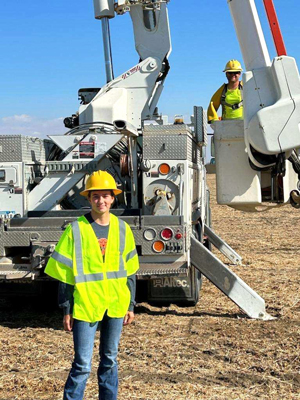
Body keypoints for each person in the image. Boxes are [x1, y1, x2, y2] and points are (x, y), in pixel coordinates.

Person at [45, 170, 139, 400]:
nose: (101, 201)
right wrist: (67, 308)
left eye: (105, 196)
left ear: (113, 198)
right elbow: (65, 274)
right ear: (88, 199)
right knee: (82, 364)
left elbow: (130, 272)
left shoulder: (122, 229)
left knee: (109, 360)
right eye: (96, 196)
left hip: (116, 304)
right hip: (86, 306)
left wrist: (131, 304)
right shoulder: (75, 230)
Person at [207, 59, 243, 124]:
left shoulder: (245, 87)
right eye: (230, 72)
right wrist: (214, 121)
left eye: (236, 72)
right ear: (226, 74)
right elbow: (212, 105)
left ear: (240, 74)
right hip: (226, 125)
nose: (233, 74)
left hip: (244, 124)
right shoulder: (222, 90)